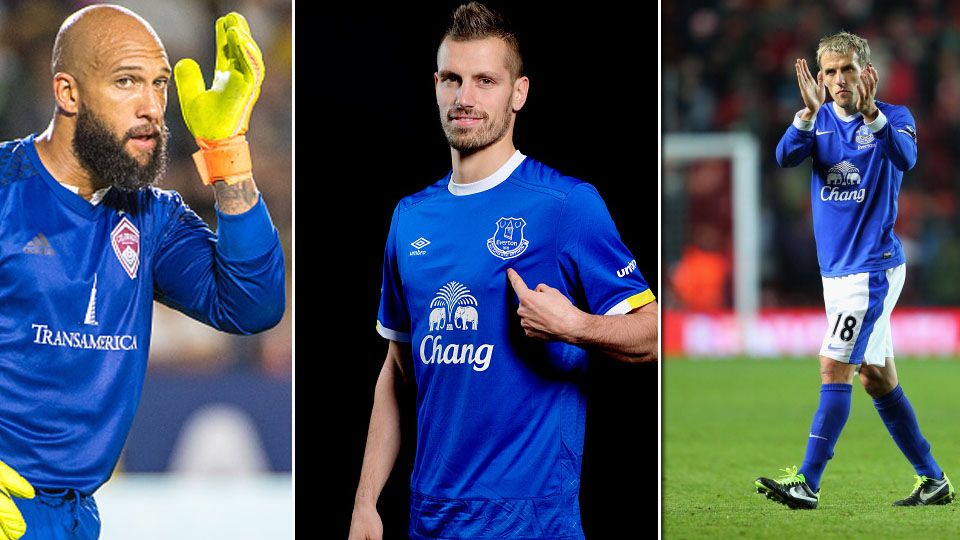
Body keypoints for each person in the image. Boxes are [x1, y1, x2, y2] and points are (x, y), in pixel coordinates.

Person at [348, 3, 657, 539]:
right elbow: (397, 373)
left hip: (532, 522)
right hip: (430, 520)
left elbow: (654, 333)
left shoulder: (564, 205)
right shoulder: (410, 216)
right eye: (453, 79)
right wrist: (366, 503)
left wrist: (575, 326)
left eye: (485, 81)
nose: (465, 98)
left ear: (519, 93)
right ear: (436, 85)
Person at [0, 5, 284, 539]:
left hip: (77, 518)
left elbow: (254, 303)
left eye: (159, 84)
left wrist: (227, 154)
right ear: (68, 93)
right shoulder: (4, 190)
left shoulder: (152, 216)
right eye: (127, 81)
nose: (152, 106)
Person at [755, 31, 952, 510]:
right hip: (836, 272)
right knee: (877, 378)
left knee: (833, 364)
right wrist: (803, 115)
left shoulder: (894, 119)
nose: (839, 79)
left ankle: (808, 482)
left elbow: (906, 158)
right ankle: (934, 480)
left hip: (872, 269)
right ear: (819, 78)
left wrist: (871, 115)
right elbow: (784, 157)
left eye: (847, 69)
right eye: (829, 72)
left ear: (867, 72)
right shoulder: (817, 121)